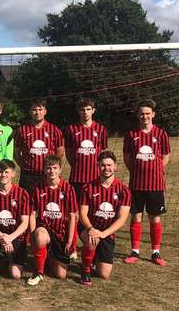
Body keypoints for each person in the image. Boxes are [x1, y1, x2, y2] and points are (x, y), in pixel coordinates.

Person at [122, 99, 171, 266]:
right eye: (142, 113)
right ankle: (135, 251)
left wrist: (155, 170)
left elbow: (165, 156)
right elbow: (127, 158)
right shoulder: (131, 135)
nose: (145, 116)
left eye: (148, 114)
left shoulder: (161, 134)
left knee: (154, 219)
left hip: (156, 184)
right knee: (136, 217)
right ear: (138, 115)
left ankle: (155, 252)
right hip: (136, 184)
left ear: (153, 115)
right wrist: (137, 171)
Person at [63, 98, 108, 257]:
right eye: (82, 109)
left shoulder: (101, 130)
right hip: (76, 178)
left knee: (94, 213)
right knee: (74, 213)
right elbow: (68, 153)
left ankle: (92, 244)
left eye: (88, 109)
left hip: (95, 180)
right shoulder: (71, 129)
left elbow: (103, 154)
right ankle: (73, 246)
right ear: (78, 111)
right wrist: (77, 165)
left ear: (93, 110)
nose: (85, 112)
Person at [78, 150, 131, 286]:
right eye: (103, 165)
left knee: (104, 274)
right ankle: (86, 270)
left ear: (115, 166)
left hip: (107, 232)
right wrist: (91, 229)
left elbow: (122, 219)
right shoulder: (88, 187)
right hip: (89, 227)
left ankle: (94, 258)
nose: (106, 168)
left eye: (109, 165)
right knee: (92, 239)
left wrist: (104, 234)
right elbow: (83, 213)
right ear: (97, 166)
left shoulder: (123, 190)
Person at [26, 156, 78, 286]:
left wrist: (70, 241)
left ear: (60, 169)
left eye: (55, 168)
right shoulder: (38, 188)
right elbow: (32, 214)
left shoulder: (68, 189)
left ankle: (49, 256)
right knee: (40, 236)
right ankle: (39, 272)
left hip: (61, 232)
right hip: (45, 228)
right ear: (44, 170)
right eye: (48, 168)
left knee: (61, 275)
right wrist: (32, 235)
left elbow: (72, 216)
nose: (52, 171)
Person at [0, 159, 31, 288]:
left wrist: (10, 238)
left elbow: (25, 223)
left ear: (13, 174)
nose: (3, 175)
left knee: (15, 275)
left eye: (7, 172)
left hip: (15, 236)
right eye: (1, 172)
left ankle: (7, 258)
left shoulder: (22, 193)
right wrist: (3, 237)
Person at [14, 98, 64, 195]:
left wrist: (52, 168)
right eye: (34, 110)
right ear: (30, 111)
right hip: (28, 176)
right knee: (27, 205)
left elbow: (60, 153)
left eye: (40, 109)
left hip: (47, 174)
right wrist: (25, 166)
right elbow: (16, 153)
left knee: (46, 204)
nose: (37, 112)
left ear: (45, 111)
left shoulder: (54, 130)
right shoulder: (22, 130)